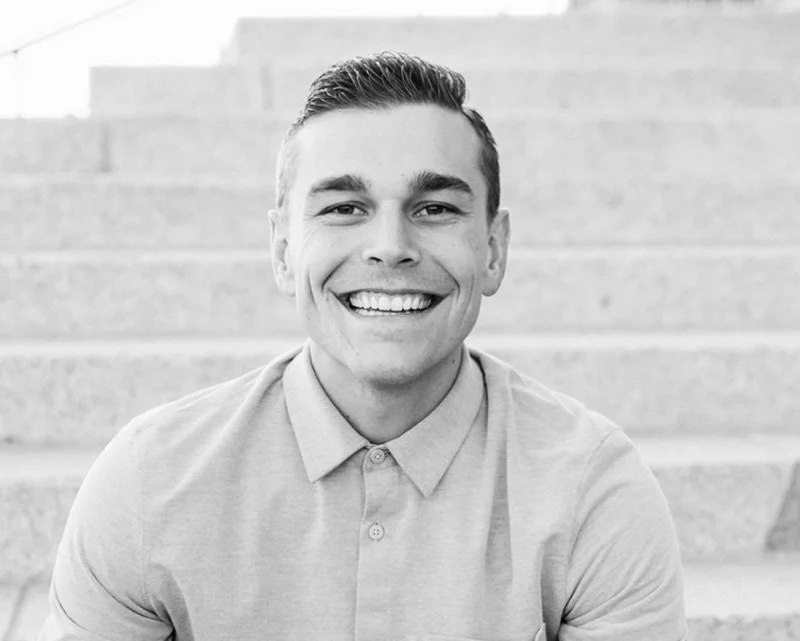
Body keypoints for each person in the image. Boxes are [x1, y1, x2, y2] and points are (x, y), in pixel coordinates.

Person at [39, 52, 687, 641]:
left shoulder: (592, 489)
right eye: (344, 207)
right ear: (284, 251)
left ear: (493, 250)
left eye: (433, 208)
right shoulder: (147, 483)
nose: (390, 245)